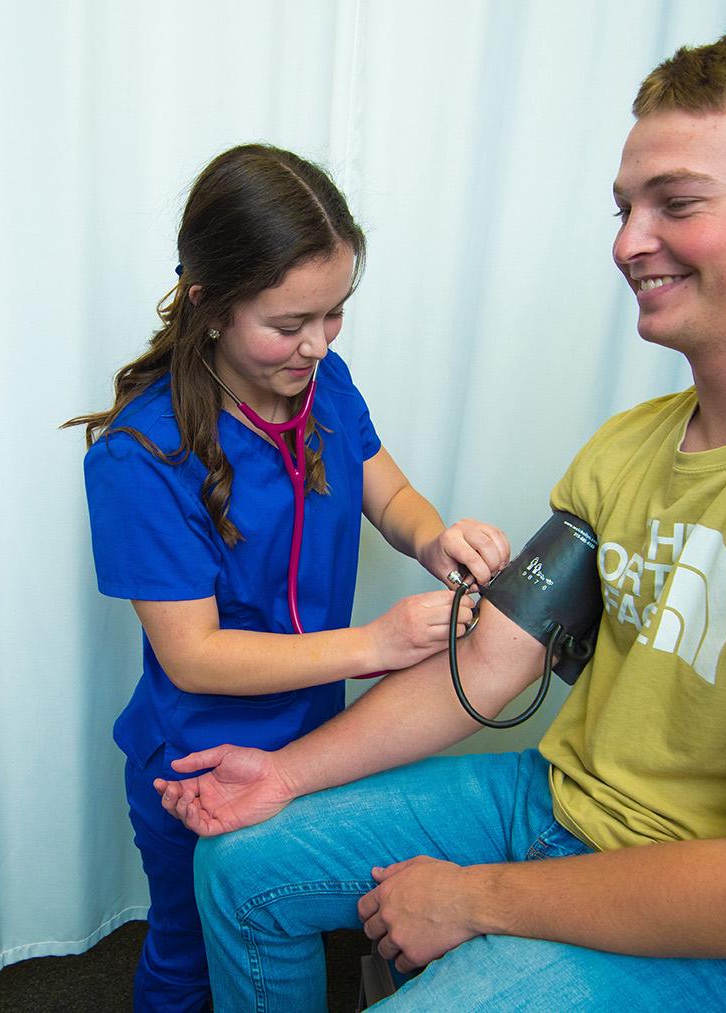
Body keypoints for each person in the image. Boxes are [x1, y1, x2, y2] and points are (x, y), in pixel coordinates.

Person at [156, 27, 726, 1011]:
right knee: (242, 860)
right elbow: (491, 663)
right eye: (626, 207)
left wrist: (471, 899)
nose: (629, 240)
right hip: (555, 802)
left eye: (676, 203)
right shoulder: (627, 449)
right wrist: (281, 774)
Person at [68, 143, 506, 1011]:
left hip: (312, 740)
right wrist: (376, 644)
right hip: (196, 758)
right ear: (210, 304)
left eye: (335, 313)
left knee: (280, 929)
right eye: (289, 322)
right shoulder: (141, 455)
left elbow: (387, 488)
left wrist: (434, 538)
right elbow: (192, 656)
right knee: (190, 952)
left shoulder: (322, 383)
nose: (316, 342)